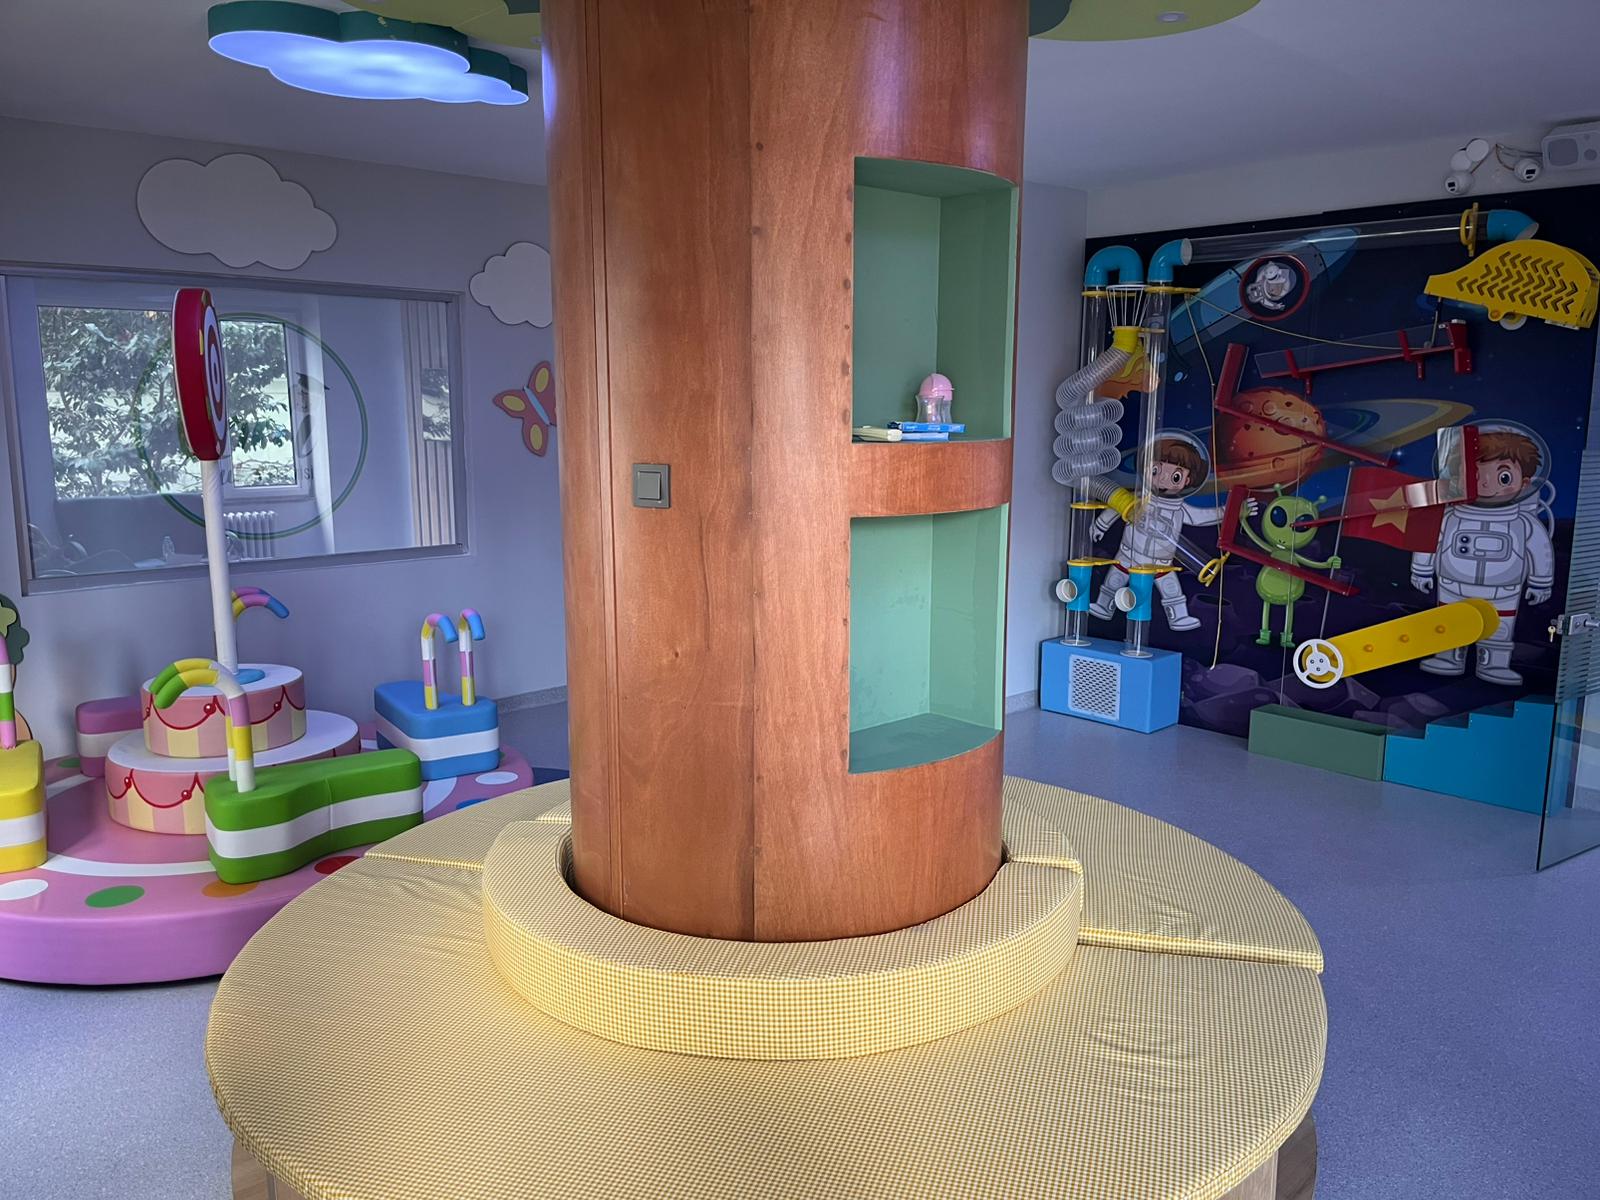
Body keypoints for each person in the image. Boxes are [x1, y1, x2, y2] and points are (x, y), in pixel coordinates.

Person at [1412, 428, 1555, 684]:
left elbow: (1540, 550)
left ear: (1524, 483)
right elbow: (1428, 542)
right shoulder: (1450, 517)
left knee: (1499, 628)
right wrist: (1421, 570)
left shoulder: (1522, 523)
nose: (1486, 484)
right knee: (1448, 622)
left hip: (1503, 591)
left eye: (1503, 477)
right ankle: (1448, 657)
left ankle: (1495, 664)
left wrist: (1540, 582)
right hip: (1453, 585)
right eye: (1475, 475)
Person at [1090, 436, 1228, 632]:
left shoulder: (1179, 509)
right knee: (1114, 580)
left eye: (1175, 476)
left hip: (1161, 563)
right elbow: (1117, 507)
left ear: (1188, 480)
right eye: (1156, 470)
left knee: (1171, 589)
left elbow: (1202, 517)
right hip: (1128, 555)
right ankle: (1104, 606)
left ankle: (1179, 617)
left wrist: (1229, 512)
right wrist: (1101, 525)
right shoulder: (1138, 500)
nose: (1162, 479)